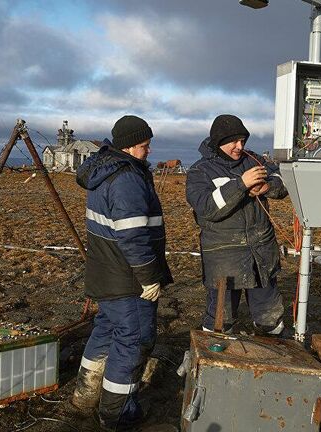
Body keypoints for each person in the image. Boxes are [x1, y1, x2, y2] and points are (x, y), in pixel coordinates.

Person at [71, 115, 173, 430]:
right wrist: (148, 279)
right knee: (134, 339)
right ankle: (117, 414)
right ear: (128, 146)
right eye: (144, 145)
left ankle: (86, 395)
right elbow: (132, 236)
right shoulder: (127, 179)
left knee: (105, 330)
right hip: (128, 279)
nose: (149, 151)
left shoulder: (103, 171)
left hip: (105, 273)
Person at [186, 114, 288, 335]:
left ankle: (273, 356)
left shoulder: (254, 160)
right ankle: (212, 361)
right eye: (233, 141)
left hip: (261, 252)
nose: (239, 146)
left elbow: (282, 180)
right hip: (224, 257)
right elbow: (206, 208)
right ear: (218, 141)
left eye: (243, 140)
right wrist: (241, 184)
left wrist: (266, 188)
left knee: (269, 317)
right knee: (221, 320)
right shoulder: (200, 171)